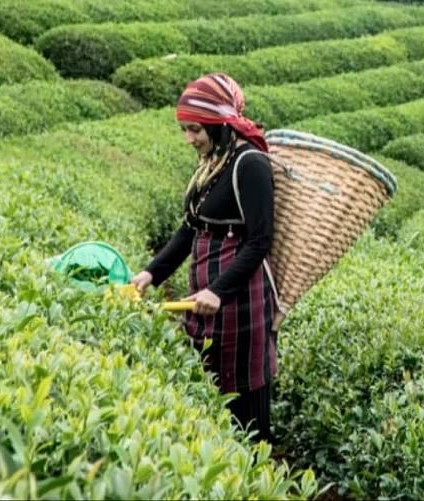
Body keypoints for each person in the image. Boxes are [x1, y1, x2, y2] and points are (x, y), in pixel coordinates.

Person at [130, 73, 279, 444]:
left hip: (239, 301)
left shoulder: (250, 164)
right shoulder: (212, 161)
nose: (189, 138)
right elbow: (189, 230)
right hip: (204, 299)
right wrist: (151, 274)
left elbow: (260, 241)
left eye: (195, 129)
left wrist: (219, 291)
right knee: (210, 391)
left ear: (218, 123)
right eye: (185, 129)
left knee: (246, 402)